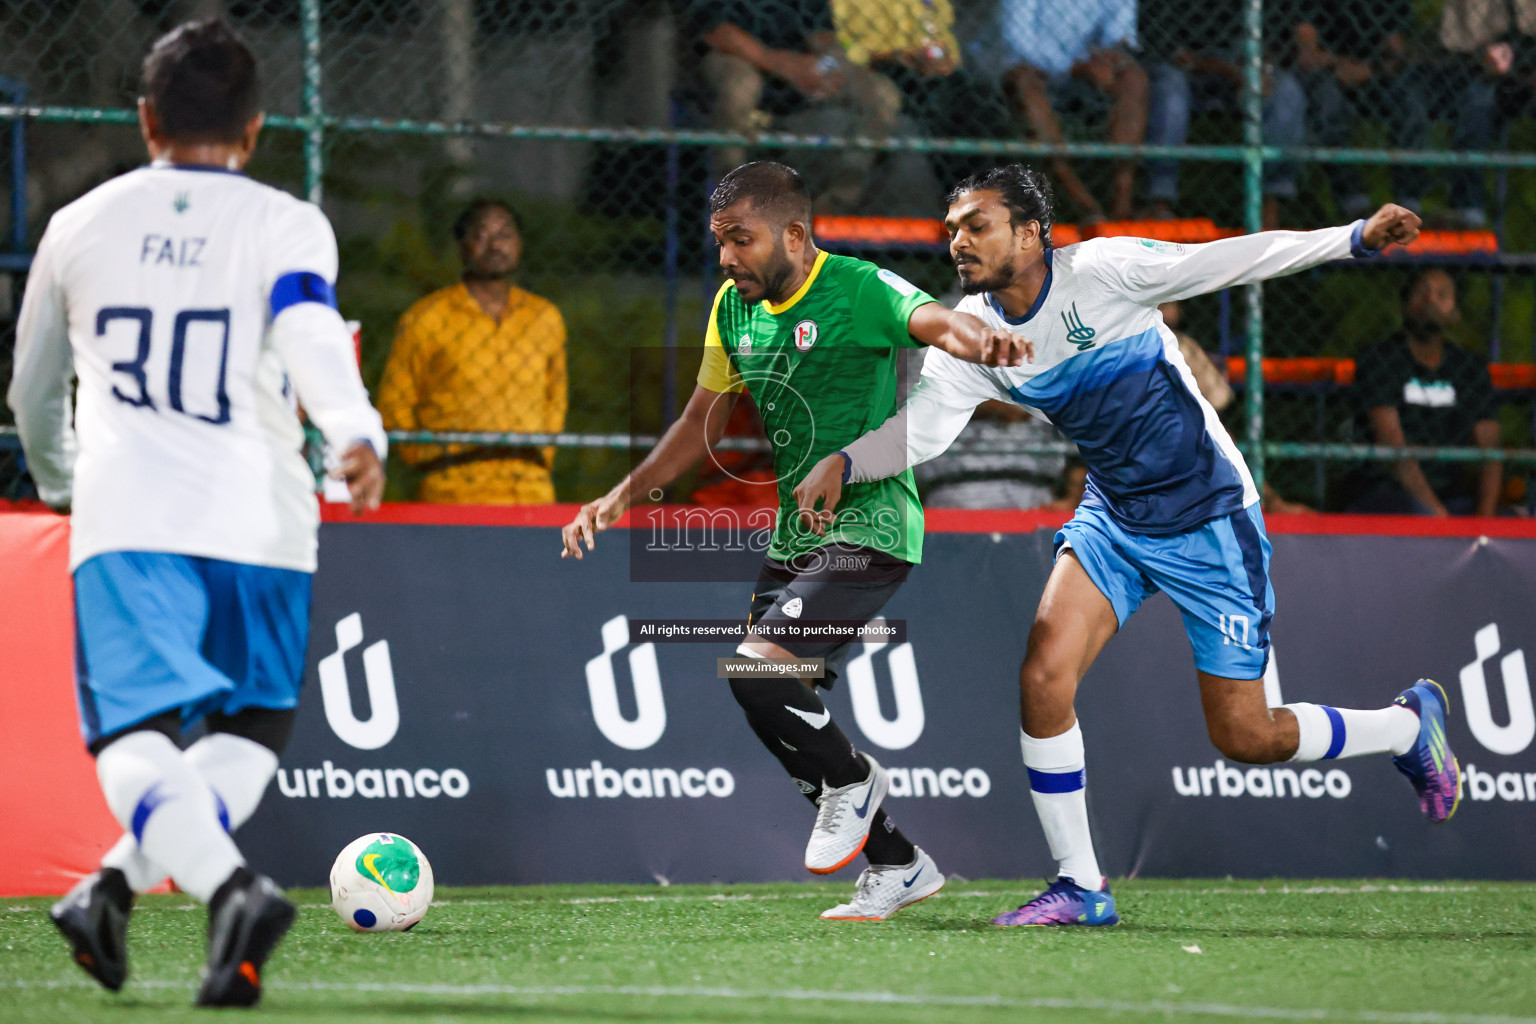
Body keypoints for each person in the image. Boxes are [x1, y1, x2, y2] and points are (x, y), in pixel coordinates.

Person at [793, 165, 1458, 927]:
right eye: (951, 229)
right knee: (1044, 675)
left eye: (977, 225)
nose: (958, 241)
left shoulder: (1103, 273)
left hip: (1209, 515)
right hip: (1114, 518)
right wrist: (849, 461)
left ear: (1032, 232)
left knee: (1247, 734)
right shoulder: (969, 337)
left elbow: (1227, 260)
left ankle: (1409, 726)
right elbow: (928, 430)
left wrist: (1351, 238)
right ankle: (1081, 886)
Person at [7, 20, 386, 1006]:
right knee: (250, 725)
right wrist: (356, 430)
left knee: (135, 736)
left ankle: (233, 889)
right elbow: (311, 330)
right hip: (264, 519)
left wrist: (58, 482)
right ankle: (108, 890)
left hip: (133, 522)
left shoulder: (78, 226)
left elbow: (32, 391)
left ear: (144, 120)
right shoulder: (287, 221)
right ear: (254, 130)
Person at [560, 161, 1028, 922]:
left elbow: (934, 322)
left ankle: (854, 783)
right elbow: (697, 422)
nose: (726, 258)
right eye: (719, 242)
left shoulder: (857, 287)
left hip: (872, 527)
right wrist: (621, 496)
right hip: (793, 534)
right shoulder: (731, 309)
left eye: (740, 240)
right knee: (772, 702)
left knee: (757, 671)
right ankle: (897, 862)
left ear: (795, 234)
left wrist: (979, 338)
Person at [377, 199, 567, 504]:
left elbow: (555, 397)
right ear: (462, 246)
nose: (495, 246)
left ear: (519, 243)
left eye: (505, 235)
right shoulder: (427, 317)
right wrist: (428, 458)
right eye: (481, 236)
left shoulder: (544, 317)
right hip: (451, 487)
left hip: (529, 488)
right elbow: (395, 401)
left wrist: (542, 453)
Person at [690, 1, 901, 212]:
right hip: (735, 55)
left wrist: (827, 66)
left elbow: (822, 34)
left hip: (800, 63)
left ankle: (837, 200)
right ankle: (733, 200)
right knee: (740, 86)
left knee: (883, 94)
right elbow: (715, 30)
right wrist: (783, 64)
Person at [1349, 269, 1502, 516]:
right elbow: (1392, 446)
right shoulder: (1381, 359)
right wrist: (1438, 517)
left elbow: (1490, 449)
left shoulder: (1469, 368)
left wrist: (1484, 525)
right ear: (1405, 304)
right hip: (1391, 492)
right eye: (1422, 292)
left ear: (1456, 313)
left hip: (1453, 494)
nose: (1430, 300)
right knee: (1405, 508)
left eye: (1442, 295)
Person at [1143, 10, 1306, 227]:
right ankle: (1159, 202)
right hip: (1189, 74)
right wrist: (1224, 69)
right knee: (1170, 90)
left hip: (1244, 73)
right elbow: (1166, 50)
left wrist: (1261, 69)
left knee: (1287, 91)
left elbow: (1274, 43)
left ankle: (1268, 206)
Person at [993, 0, 1147, 221]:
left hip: (1088, 73)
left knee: (1133, 77)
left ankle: (1122, 204)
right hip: (1033, 69)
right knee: (1022, 81)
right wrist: (1072, 66)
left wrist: (1108, 57)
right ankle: (1083, 204)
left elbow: (1119, 33)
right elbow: (1018, 42)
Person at [1294, 1, 1430, 220]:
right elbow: (1307, 56)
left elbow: (1397, 53)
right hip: (1327, 74)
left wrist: (1369, 69)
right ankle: (1353, 201)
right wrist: (1340, 64)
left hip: (1373, 73)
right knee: (1327, 100)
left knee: (1411, 101)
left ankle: (1409, 202)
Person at [1439, 0, 1536, 228]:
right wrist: (1483, 56)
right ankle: (1469, 205)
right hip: (1486, 75)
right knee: (1477, 103)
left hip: (1527, 61)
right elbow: (1454, 44)